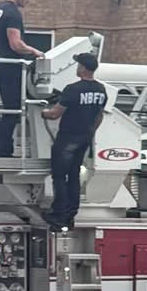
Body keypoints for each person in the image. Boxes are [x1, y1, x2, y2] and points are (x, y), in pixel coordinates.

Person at [42, 53, 109, 231]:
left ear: (84, 68)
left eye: (78, 65)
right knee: (73, 177)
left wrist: (43, 112)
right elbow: (99, 116)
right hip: (84, 138)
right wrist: (89, 132)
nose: (76, 68)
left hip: (67, 138)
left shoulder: (72, 89)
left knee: (59, 177)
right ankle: (71, 214)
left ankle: (58, 215)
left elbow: (55, 113)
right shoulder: (101, 90)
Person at [0, 0, 42, 158]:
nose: (28, 0)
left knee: (7, 110)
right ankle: (2, 150)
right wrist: (36, 52)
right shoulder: (13, 14)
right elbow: (16, 44)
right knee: (13, 110)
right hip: (11, 67)